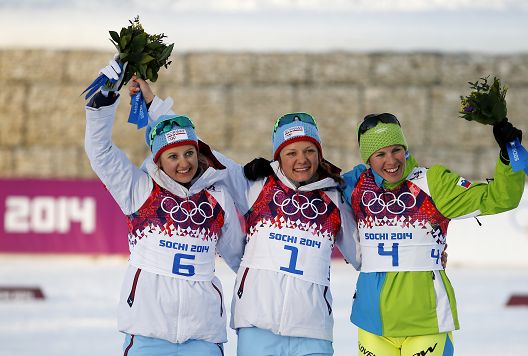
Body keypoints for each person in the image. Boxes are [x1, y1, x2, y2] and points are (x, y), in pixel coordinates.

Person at [130, 78, 361, 356]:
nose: (302, 159)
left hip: (313, 331)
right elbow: (199, 149)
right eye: (292, 152)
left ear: (319, 153)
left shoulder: (334, 198)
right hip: (256, 326)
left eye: (310, 150)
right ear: (278, 157)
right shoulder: (256, 186)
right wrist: (155, 109)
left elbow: (361, 255)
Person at [84, 58, 245, 355]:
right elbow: (101, 152)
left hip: (203, 335)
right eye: (173, 156)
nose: (183, 163)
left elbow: (240, 257)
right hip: (148, 332)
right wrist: (105, 100)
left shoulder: (217, 197)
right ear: (158, 160)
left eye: (189, 153)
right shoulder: (139, 190)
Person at [341, 113, 525, 355]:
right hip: (372, 324)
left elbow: (500, 198)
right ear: (368, 159)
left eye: (396, 150)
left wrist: (509, 154)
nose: (391, 161)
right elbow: (306, 189)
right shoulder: (355, 185)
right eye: (380, 154)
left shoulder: (432, 182)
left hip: (426, 323)